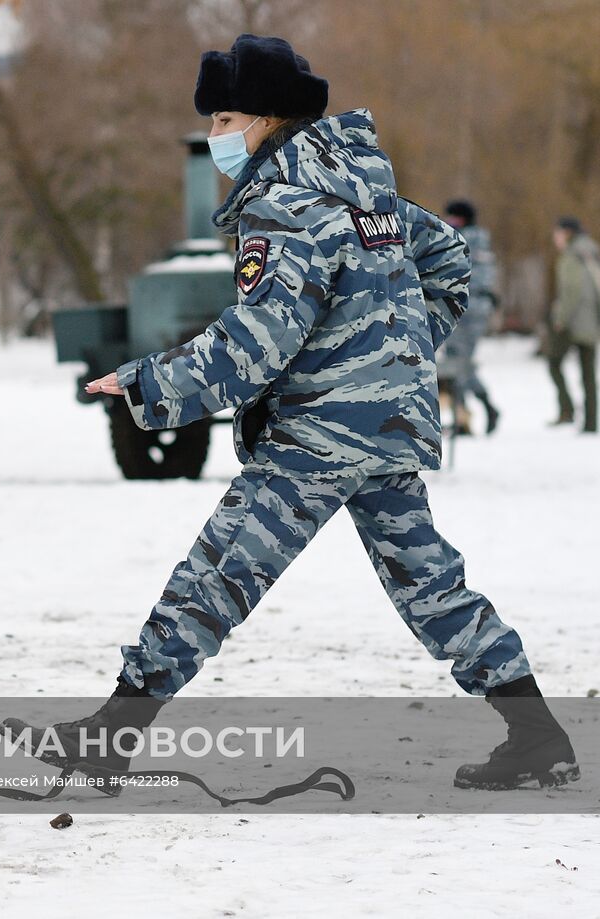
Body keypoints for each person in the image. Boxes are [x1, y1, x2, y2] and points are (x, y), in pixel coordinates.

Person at [61, 34, 577, 791]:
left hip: (320, 436)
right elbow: (448, 259)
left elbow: (256, 342)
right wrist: (395, 356)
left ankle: (111, 734)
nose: (215, 137)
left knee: (219, 570)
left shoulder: (285, 205)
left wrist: (150, 383)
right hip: (386, 426)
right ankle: (536, 733)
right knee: (428, 581)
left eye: (224, 118)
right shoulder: (369, 196)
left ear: (268, 120)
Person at [437, 200, 500, 434]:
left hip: (464, 309)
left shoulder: (460, 241)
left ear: (460, 219)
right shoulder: (481, 241)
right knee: (462, 363)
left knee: (457, 364)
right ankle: (471, 413)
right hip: (479, 308)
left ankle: (471, 414)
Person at [546, 217, 599, 433]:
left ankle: (567, 410)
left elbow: (572, 291)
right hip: (591, 321)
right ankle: (590, 421)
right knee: (588, 373)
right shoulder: (591, 251)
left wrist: (561, 319)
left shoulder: (571, 255)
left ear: (566, 233)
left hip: (574, 322)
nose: (555, 238)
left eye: (557, 232)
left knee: (554, 362)